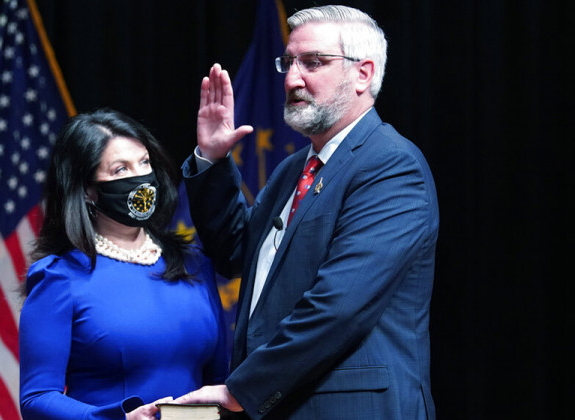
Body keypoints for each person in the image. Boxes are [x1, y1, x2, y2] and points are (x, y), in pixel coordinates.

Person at [174, 5, 439, 419]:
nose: (293, 79)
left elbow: (339, 306)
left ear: (363, 74)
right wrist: (211, 159)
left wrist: (243, 389)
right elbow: (234, 252)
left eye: (312, 63)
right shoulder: (294, 169)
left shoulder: (391, 166)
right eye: (289, 63)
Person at [18, 109, 229, 420]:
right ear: (88, 190)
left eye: (144, 163)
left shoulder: (195, 264)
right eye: (120, 170)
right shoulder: (59, 278)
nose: (140, 178)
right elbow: (36, 398)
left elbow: (219, 382)